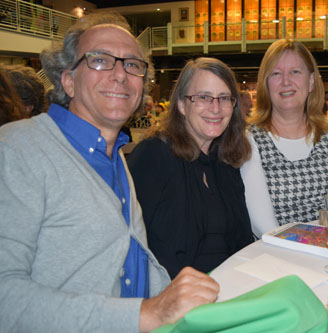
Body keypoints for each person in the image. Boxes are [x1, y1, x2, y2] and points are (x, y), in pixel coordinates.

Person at [0, 13, 219, 332]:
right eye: (100, 60)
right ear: (68, 80)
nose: (120, 74)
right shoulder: (18, 148)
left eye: (132, 64)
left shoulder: (113, 156)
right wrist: (146, 314)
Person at [127, 57, 254, 279]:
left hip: (230, 285)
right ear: (182, 105)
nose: (215, 108)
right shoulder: (153, 156)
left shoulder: (226, 161)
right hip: (175, 296)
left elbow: (240, 240)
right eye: (204, 97)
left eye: (224, 98)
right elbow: (131, 243)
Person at [241, 39, 328, 238]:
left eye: (295, 72)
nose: (286, 81)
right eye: (276, 73)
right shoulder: (251, 140)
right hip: (279, 256)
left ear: (311, 81)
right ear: (265, 84)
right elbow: (264, 227)